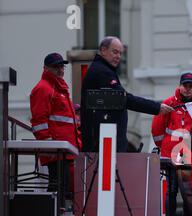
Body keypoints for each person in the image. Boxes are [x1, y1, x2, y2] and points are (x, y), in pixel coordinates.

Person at [80, 36, 173, 152]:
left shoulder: (103, 70)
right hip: (103, 145)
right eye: (115, 52)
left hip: (102, 143)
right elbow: (124, 98)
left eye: (120, 53)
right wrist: (156, 107)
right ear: (103, 50)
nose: (118, 56)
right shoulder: (103, 72)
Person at [152, 73, 192, 216]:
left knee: (188, 193)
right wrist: (164, 147)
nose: (187, 89)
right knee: (172, 190)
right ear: (180, 85)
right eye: (185, 86)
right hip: (171, 155)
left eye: (190, 86)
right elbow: (157, 129)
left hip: (189, 156)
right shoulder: (168, 104)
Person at [30, 52, 81, 196]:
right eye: (56, 67)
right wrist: (49, 145)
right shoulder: (44, 88)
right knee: (58, 188)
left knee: (62, 189)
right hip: (56, 149)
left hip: (63, 148)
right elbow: (39, 120)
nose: (60, 69)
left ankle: (55, 215)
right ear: (45, 68)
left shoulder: (58, 89)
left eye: (62, 66)